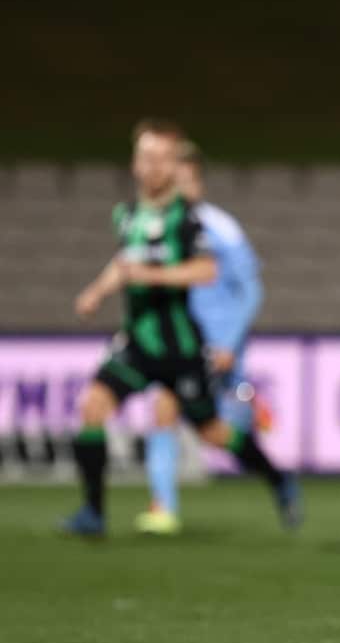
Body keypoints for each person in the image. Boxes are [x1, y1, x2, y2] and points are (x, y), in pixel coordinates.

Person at [62, 119, 297, 537]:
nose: (152, 167)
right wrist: (96, 292)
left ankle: (278, 479)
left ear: (174, 167)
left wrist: (152, 276)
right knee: (92, 407)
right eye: (145, 158)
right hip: (137, 342)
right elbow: (125, 263)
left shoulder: (190, 220)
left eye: (161, 159)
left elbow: (206, 270)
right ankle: (95, 513)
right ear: (135, 164)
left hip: (180, 349)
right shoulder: (127, 214)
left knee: (213, 432)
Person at [134, 140, 288, 534]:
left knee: (197, 424)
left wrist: (229, 343)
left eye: (183, 180)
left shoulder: (219, 227)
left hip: (215, 345)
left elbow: (251, 290)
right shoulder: (160, 227)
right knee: (178, 417)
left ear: (197, 184)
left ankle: (272, 477)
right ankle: (165, 507)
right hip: (177, 343)